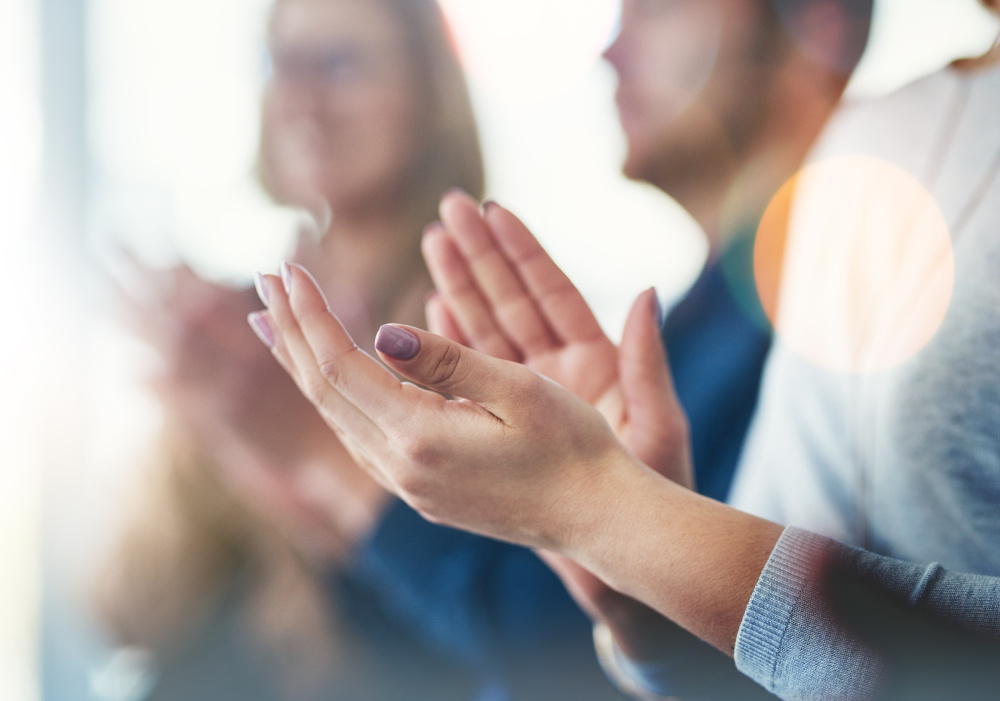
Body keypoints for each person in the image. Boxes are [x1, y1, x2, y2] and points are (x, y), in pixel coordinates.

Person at [246, 3, 1000, 700]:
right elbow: (760, 657)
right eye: (281, 64)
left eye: (661, 4)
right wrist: (637, 584)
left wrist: (610, 511)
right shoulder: (892, 140)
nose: (608, 50)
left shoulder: (824, 242)